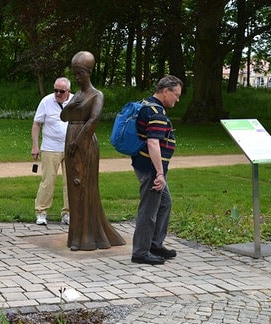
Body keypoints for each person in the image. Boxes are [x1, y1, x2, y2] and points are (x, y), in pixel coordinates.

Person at [60, 51, 126, 251]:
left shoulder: (96, 95)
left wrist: (77, 142)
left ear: (88, 72)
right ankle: (76, 237)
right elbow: (63, 117)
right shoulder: (77, 95)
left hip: (85, 142)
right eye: (75, 73)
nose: (77, 77)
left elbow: (93, 120)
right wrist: (71, 105)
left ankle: (88, 237)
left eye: (80, 73)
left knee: (84, 186)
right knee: (74, 187)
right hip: (71, 136)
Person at [130, 75, 183, 265]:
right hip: (151, 168)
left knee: (164, 203)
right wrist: (160, 173)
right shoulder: (157, 112)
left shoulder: (147, 104)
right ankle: (141, 252)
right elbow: (153, 142)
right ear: (166, 91)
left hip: (144, 164)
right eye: (176, 95)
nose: (177, 99)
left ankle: (154, 243)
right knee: (148, 210)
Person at [32, 77, 73, 225]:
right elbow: (36, 124)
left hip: (71, 148)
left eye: (61, 91)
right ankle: (41, 212)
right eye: (55, 90)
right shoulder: (46, 101)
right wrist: (35, 146)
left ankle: (68, 213)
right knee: (48, 181)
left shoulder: (75, 101)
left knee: (70, 182)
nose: (57, 94)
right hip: (50, 148)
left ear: (68, 91)